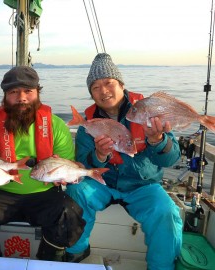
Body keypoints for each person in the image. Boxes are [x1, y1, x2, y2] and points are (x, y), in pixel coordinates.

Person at [65, 53, 183, 269]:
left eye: (108, 83)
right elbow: (82, 162)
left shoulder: (147, 110)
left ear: (120, 83)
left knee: (167, 212)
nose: (103, 91)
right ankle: (75, 253)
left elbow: (172, 158)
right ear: (91, 93)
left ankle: (162, 266)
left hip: (143, 185)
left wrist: (158, 140)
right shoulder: (89, 122)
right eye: (95, 87)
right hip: (103, 183)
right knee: (75, 193)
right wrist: (98, 156)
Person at [0, 66, 85, 261]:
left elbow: (67, 165)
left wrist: (67, 176)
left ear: (37, 93)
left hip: (43, 192)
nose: (21, 97)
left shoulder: (56, 125)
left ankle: (46, 261)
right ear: (5, 97)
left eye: (28, 91)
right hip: (2, 192)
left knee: (69, 214)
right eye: (13, 92)